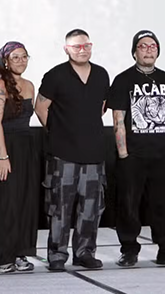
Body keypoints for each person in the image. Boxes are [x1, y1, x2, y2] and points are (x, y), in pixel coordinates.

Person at [108, 30, 165, 267]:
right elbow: (118, 119)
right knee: (128, 204)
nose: (148, 50)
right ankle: (129, 249)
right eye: (143, 46)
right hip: (132, 155)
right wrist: (123, 154)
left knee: (163, 205)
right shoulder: (123, 79)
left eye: (152, 46)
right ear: (135, 51)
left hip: (162, 154)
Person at [35, 29, 111, 272]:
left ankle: (84, 253)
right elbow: (40, 107)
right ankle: (57, 255)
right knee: (60, 208)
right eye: (76, 46)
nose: (82, 50)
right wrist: (58, 131)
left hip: (94, 154)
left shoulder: (101, 74)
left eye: (86, 45)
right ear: (66, 49)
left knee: (91, 208)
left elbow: (101, 108)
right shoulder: (55, 75)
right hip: (63, 154)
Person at [0, 41, 39, 273]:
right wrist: (3, 155)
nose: (21, 61)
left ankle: (20, 253)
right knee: (4, 203)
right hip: (6, 148)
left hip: (27, 147)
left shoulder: (29, 85)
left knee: (24, 202)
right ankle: (2, 256)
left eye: (24, 56)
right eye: (15, 57)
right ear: (5, 61)